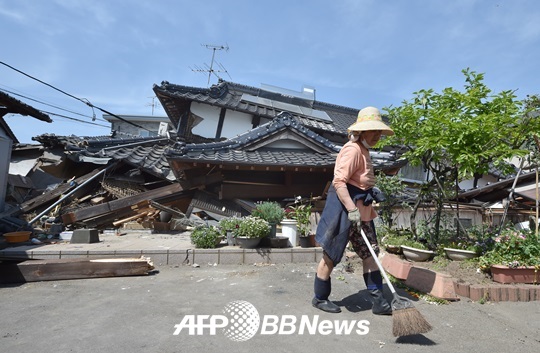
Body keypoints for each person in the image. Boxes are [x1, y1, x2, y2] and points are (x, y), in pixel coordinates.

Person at [312, 106, 394, 315]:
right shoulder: (353, 150)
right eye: (373, 131)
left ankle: (378, 301)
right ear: (362, 131)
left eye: (379, 131)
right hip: (344, 212)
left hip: (362, 214)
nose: (377, 135)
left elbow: (360, 181)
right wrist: (351, 209)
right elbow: (339, 182)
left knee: (371, 253)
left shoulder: (365, 151)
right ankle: (320, 298)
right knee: (331, 255)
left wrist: (371, 190)